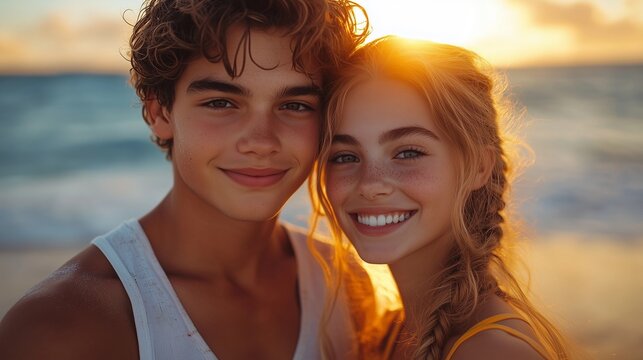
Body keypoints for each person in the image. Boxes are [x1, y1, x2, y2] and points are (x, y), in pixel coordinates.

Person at [0, 1, 371, 359]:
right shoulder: (60, 329)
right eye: (221, 103)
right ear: (160, 113)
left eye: (295, 105)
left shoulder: (347, 288)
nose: (261, 141)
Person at [311, 36, 571, 359]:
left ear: (478, 166)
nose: (370, 184)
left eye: (407, 152)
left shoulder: (491, 352)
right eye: (345, 156)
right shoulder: (395, 329)